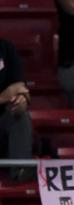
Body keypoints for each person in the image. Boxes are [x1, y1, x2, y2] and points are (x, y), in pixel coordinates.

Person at [0, 38, 33, 181]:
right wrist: (3, 97)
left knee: (20, 116)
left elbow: (21, 88)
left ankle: (21, 171)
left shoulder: (6, 48)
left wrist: (22, 101)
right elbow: (9, 92)